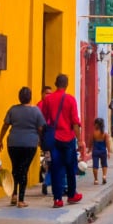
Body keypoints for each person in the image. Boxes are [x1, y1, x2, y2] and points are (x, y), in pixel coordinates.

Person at [38, 74, 85, 208]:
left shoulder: (48, 99)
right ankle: (71, 195)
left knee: (56, 168)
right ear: (67, 84)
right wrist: (80, 140)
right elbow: (75, 123)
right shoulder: (70, 99)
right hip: (68, 138)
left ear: (55, 83)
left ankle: (57, 198)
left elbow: (44, 120)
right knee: (70, 167)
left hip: (54, 139)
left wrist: (42, 138)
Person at [0, 86, 46, 208]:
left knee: (15, 168)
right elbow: (41, 128)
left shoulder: (13, 110)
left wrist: (0, 140)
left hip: (13, 143)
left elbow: (5, 126)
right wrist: (41, 140)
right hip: (29, 144)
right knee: (24, 170)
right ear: (30, 98)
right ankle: (21, 200)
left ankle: (13, 195)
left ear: (19, 97)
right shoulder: (36, 111)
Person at [91, 117, 110, 184]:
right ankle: (104, 176)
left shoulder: (94, 133)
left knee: (95, 165)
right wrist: (109, 152)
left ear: (96, 124)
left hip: (95, 151)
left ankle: (96, 179)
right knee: (104, 164)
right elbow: (108, 143)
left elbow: (91, 142)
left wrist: (89, 150)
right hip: (103, 151)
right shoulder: (105, 134)